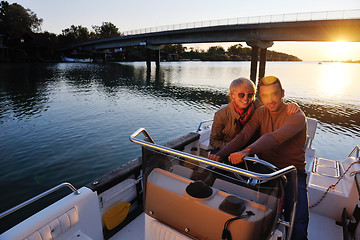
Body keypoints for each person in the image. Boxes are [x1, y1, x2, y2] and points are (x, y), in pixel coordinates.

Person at [209, 75, 308, 240]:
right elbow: (243, 136)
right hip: (263, 167)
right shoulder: (260, 112)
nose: (271, 100)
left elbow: (274, 138)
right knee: (225, 184)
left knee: (298, 219)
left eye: (275, 94)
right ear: (260, 97)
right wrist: (219, 155)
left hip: (292, 172)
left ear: (282, 93)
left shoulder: (296, 116)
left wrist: (247, 151)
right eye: (265, 96)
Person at [209, 77, 299, 154]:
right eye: (241, 95)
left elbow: (273, 105)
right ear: (232, 95)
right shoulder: (221, 115)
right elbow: (213, 141)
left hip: (250, 151)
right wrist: (233, 148)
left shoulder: (257, 107)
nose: (246, 98)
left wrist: (291, 105)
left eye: (250, 95)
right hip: (226, 148)